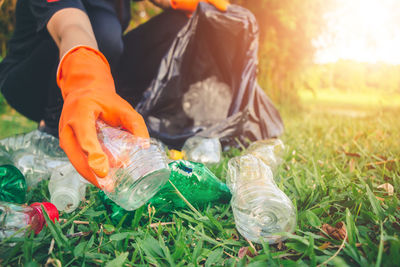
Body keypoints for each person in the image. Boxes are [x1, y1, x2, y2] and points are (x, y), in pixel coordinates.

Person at [0, 0, 229, 187]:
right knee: (103, 30)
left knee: (181, 25)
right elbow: (70, 25)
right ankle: (51, 131)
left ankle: (120, 119)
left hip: (104, 59)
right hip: (29, 79)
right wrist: (86, 77)